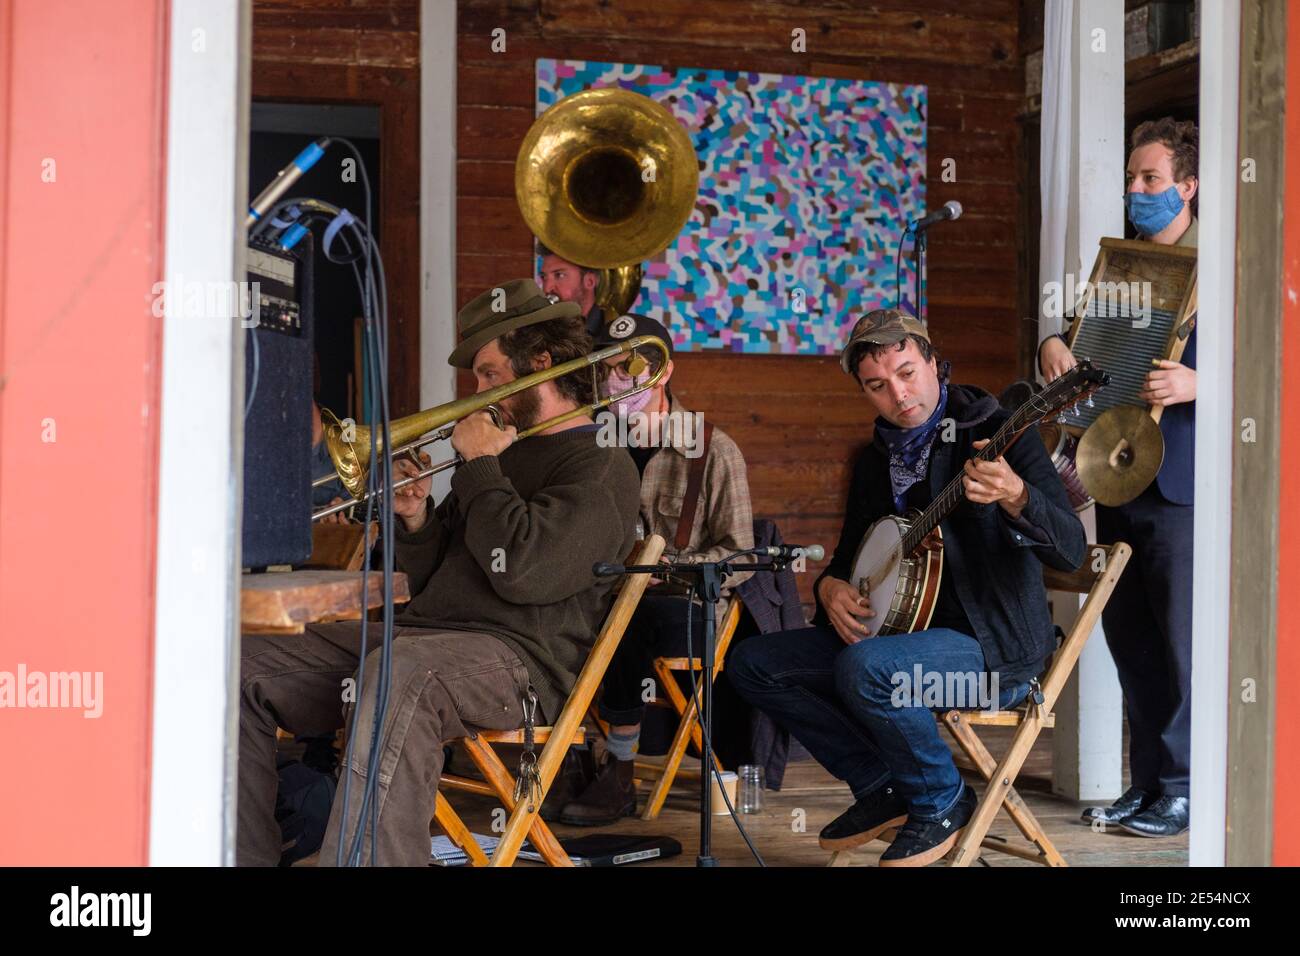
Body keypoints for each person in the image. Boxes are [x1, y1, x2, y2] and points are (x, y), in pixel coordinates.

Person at [236, 278, 641, 865]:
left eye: (489, 375)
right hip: (424, 639)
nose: (477, 394)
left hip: (520, 661)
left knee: (403, 674)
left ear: (541, 365)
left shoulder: (601, 465)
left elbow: (524, 573)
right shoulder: (505, 455)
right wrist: (418, 515)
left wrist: (480, 467)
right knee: (245, 662)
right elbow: (425, 583)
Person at [729, 309, 1085, 866]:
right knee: (754, 662)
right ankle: (884, 785)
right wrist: (828, 591)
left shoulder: (1000, 431)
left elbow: (1069, 550)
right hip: (897, 640)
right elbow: (848, 563)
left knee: (867, 668)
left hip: (992, 651)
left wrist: (1016, 494)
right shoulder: (876, 460)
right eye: (878, 385)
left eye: (907, 372)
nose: (898, 394)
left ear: (934, 364)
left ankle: (941, 801)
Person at [1042, 118, 1199, 838]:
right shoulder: (1124, 269)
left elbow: (1272, 374)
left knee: (1178, 642)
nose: (1136, 191)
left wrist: (1203, 382)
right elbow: (1078, 342)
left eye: (1152, 179)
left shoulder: (1222, 271)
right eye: (1132, 179)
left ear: (1188, 187)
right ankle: (1147, 785)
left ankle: (1186, 787)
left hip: (1182, 488)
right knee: (1128, 638)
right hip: (1115, 471)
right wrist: (1048, 342)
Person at [557, 314, 755, 825]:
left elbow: (740, 557)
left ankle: (619, 772)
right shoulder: (592, 447)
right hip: (602, 593)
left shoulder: (715, 450)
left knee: (631, 617)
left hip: (686, 605)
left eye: (631, 369)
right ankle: (569, 752)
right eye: (609, 370)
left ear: (663, 372)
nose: (617, 382)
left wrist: (673, 565)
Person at [537, 242, 606, 337]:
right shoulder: (542, 333)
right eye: (544, 277)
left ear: (589, 281)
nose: (547, 288)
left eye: (559, 275)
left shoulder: (610, 331)